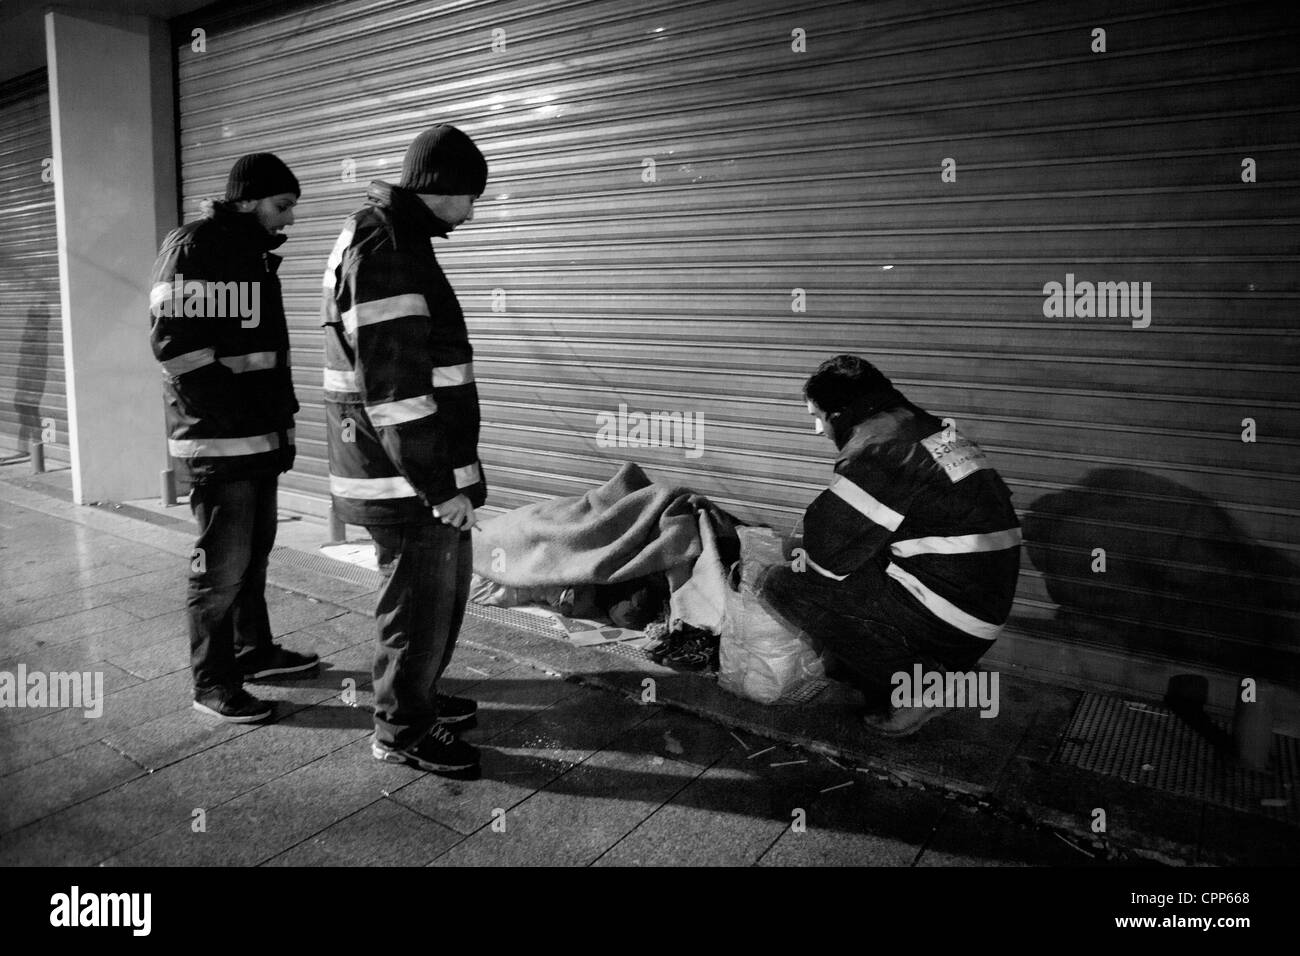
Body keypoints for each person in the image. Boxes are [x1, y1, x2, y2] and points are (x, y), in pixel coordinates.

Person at [322, 125, 488, 776]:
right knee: (418, 603)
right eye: (470, 196)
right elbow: (395, 388)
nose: (472, 211)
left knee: (436, 599)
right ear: (439, 189)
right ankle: (402, 729)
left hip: (408, 470)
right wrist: (440, 487)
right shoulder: (389, 246)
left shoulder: (394, 236)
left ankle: (418, 696)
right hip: (406, 477)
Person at [756, 354, 1021, 736]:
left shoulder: (881, 446)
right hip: (977, 610)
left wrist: (796, 546)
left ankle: (927, 687)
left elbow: (827, 556)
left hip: (950, 617)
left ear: (842, 412)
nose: (818, 429)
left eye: (819, 416)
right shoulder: (930, 430)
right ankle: (934, 668)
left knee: (785, 584)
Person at [149, 152, 319, 723]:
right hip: (221, 442)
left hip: (253, 438)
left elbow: (259, 357)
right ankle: (213, 682)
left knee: (251, 558)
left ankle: (253, 652)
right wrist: (241, 412)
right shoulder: (197, 248)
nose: (288, 220)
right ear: (246, 200)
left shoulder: (248, 254)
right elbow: (176, 348)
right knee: (219, 566)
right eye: (281, 206)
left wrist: (277, 420)